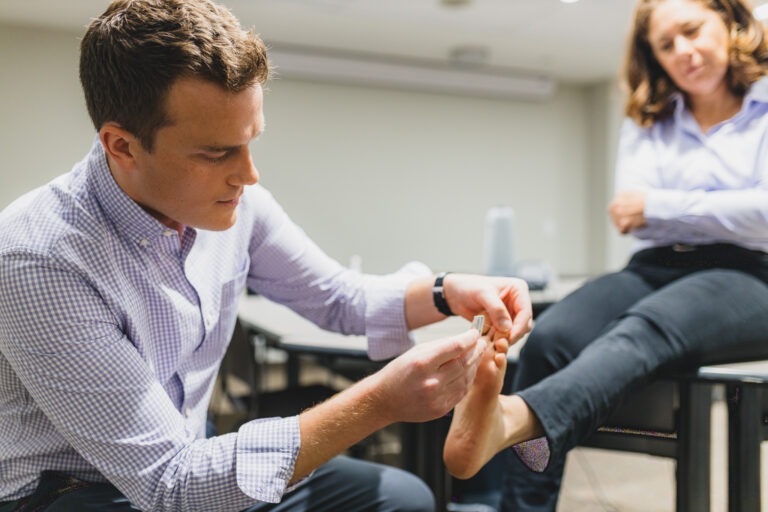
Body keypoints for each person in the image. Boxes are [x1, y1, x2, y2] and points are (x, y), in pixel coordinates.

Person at [0, 1, 534, 510]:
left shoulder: (236, 204)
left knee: (401, 497)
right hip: (72, 494)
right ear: (122, 145)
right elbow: (169, 486)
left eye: (251, 141)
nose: (248, 175)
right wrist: (380, 402)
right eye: (216, 153)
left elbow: (338, 298)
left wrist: (444, 291)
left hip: (187, 459)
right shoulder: (38, 259)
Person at [443, 0, 768, 510]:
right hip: (657, 264)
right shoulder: (649, 117)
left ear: (730, 22)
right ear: (653, 57)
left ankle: (514, 420)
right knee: (553, 338)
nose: (683, 50)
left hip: (749, 273)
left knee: (646, 326)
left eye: (692, 30)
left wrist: (660, 204)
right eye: (666, 44)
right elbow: (624, 210)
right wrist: (722, 206)